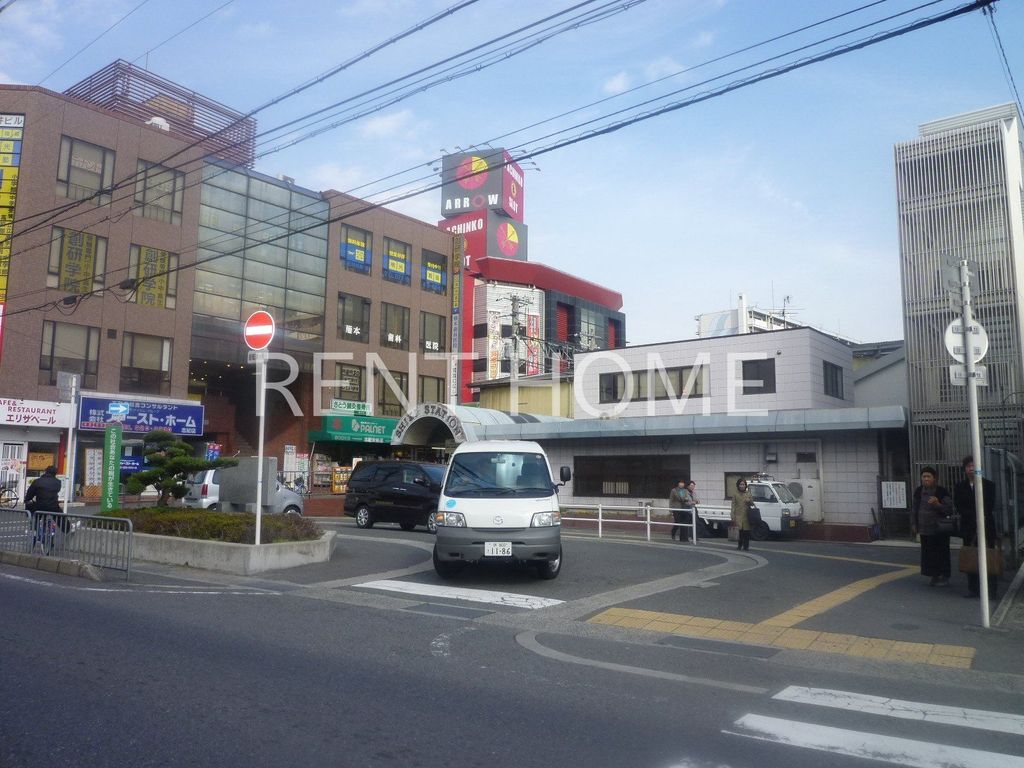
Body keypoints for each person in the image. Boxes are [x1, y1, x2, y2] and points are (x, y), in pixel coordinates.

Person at [953, 455, 998, 599]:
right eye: (968, 466)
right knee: (971, 557)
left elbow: (990, 505)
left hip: (987, 527)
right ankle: (973, 589)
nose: (971, 468)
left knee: (989, 557)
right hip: (969, 528)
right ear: (964, 469)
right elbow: (959, 505)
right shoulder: (960, 487)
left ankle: (991, 590)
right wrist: (973, 516)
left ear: (979, 468)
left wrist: (980, 516)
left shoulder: (989, 485)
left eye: (974, 466)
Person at [910, 466, 954, 587]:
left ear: (934, 478)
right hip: (924, 529)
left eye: (928, 476)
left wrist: (937, 504)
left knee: (942, 553)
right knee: (928, 554)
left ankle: (945, 576)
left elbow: (949, 510)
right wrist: (914, 523)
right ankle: (934, 575)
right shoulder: (918, 491)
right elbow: (914, 509)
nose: (926, 479)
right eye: (924, 476)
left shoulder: (941, 491)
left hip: (939, 529)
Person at [24, 465, 64, 551]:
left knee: (33, 513)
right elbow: (55, 491)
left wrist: (27, 500)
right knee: (61, 518)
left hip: (40, 506)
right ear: (55, 473)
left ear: (45, 472)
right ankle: (66, 529)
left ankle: (34, 530)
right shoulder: (58, 482)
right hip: (53, 507)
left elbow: (30, 493)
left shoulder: (37, 482)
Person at [731, 478, 754, 551]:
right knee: (740, 532)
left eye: (743, 484)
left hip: (746, 516)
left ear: (745, 485)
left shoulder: (748, 493)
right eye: (740, 484)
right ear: (738, 485)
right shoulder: (735, 494)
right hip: (738, 516)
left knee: (746, 532)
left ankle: (746, 547)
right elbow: (733, 505)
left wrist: (749, 501)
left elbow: (752, 504)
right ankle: (739, 546)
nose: (742, 486)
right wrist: (732, 516)